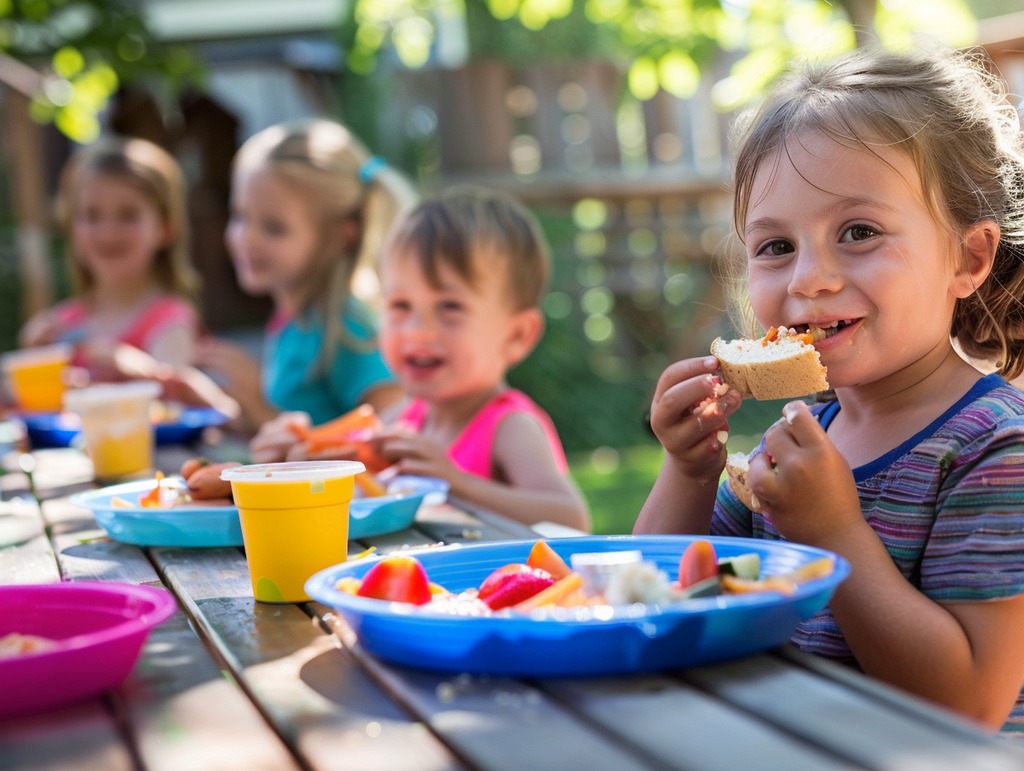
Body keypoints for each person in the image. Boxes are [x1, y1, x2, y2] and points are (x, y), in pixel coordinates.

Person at [633, 44, 1024, 736]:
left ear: (967, 259)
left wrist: (836, 533)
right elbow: (660, 594)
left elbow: (969, 705)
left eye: (859, 232)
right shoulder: (800, 435)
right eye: (775, 246)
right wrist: (689, 470)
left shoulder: (995, 447)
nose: (809, 278)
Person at [253, 187, 590, 532]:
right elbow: (352, 485)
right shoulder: (402, 419)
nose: (417, 331)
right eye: (400, 306)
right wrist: (295, 459)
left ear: (517, 335)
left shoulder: (509, 427)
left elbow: (571, 516)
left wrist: (457, 483)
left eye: (450, 308)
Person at [197, 118, 412, 436]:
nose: (247, 239)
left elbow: (394, 433)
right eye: (240, 216)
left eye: (274, 227)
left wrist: (263, 412)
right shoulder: (294, 319)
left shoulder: (346, 327)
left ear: (341, 236)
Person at [19, 136, 202, 381]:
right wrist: (33, 359)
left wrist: (140, 371)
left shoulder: (171, 321)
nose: (108, 232)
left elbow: (177, 395)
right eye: (92, 216)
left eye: (128, 215)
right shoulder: (61, 324)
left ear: (165, 228)